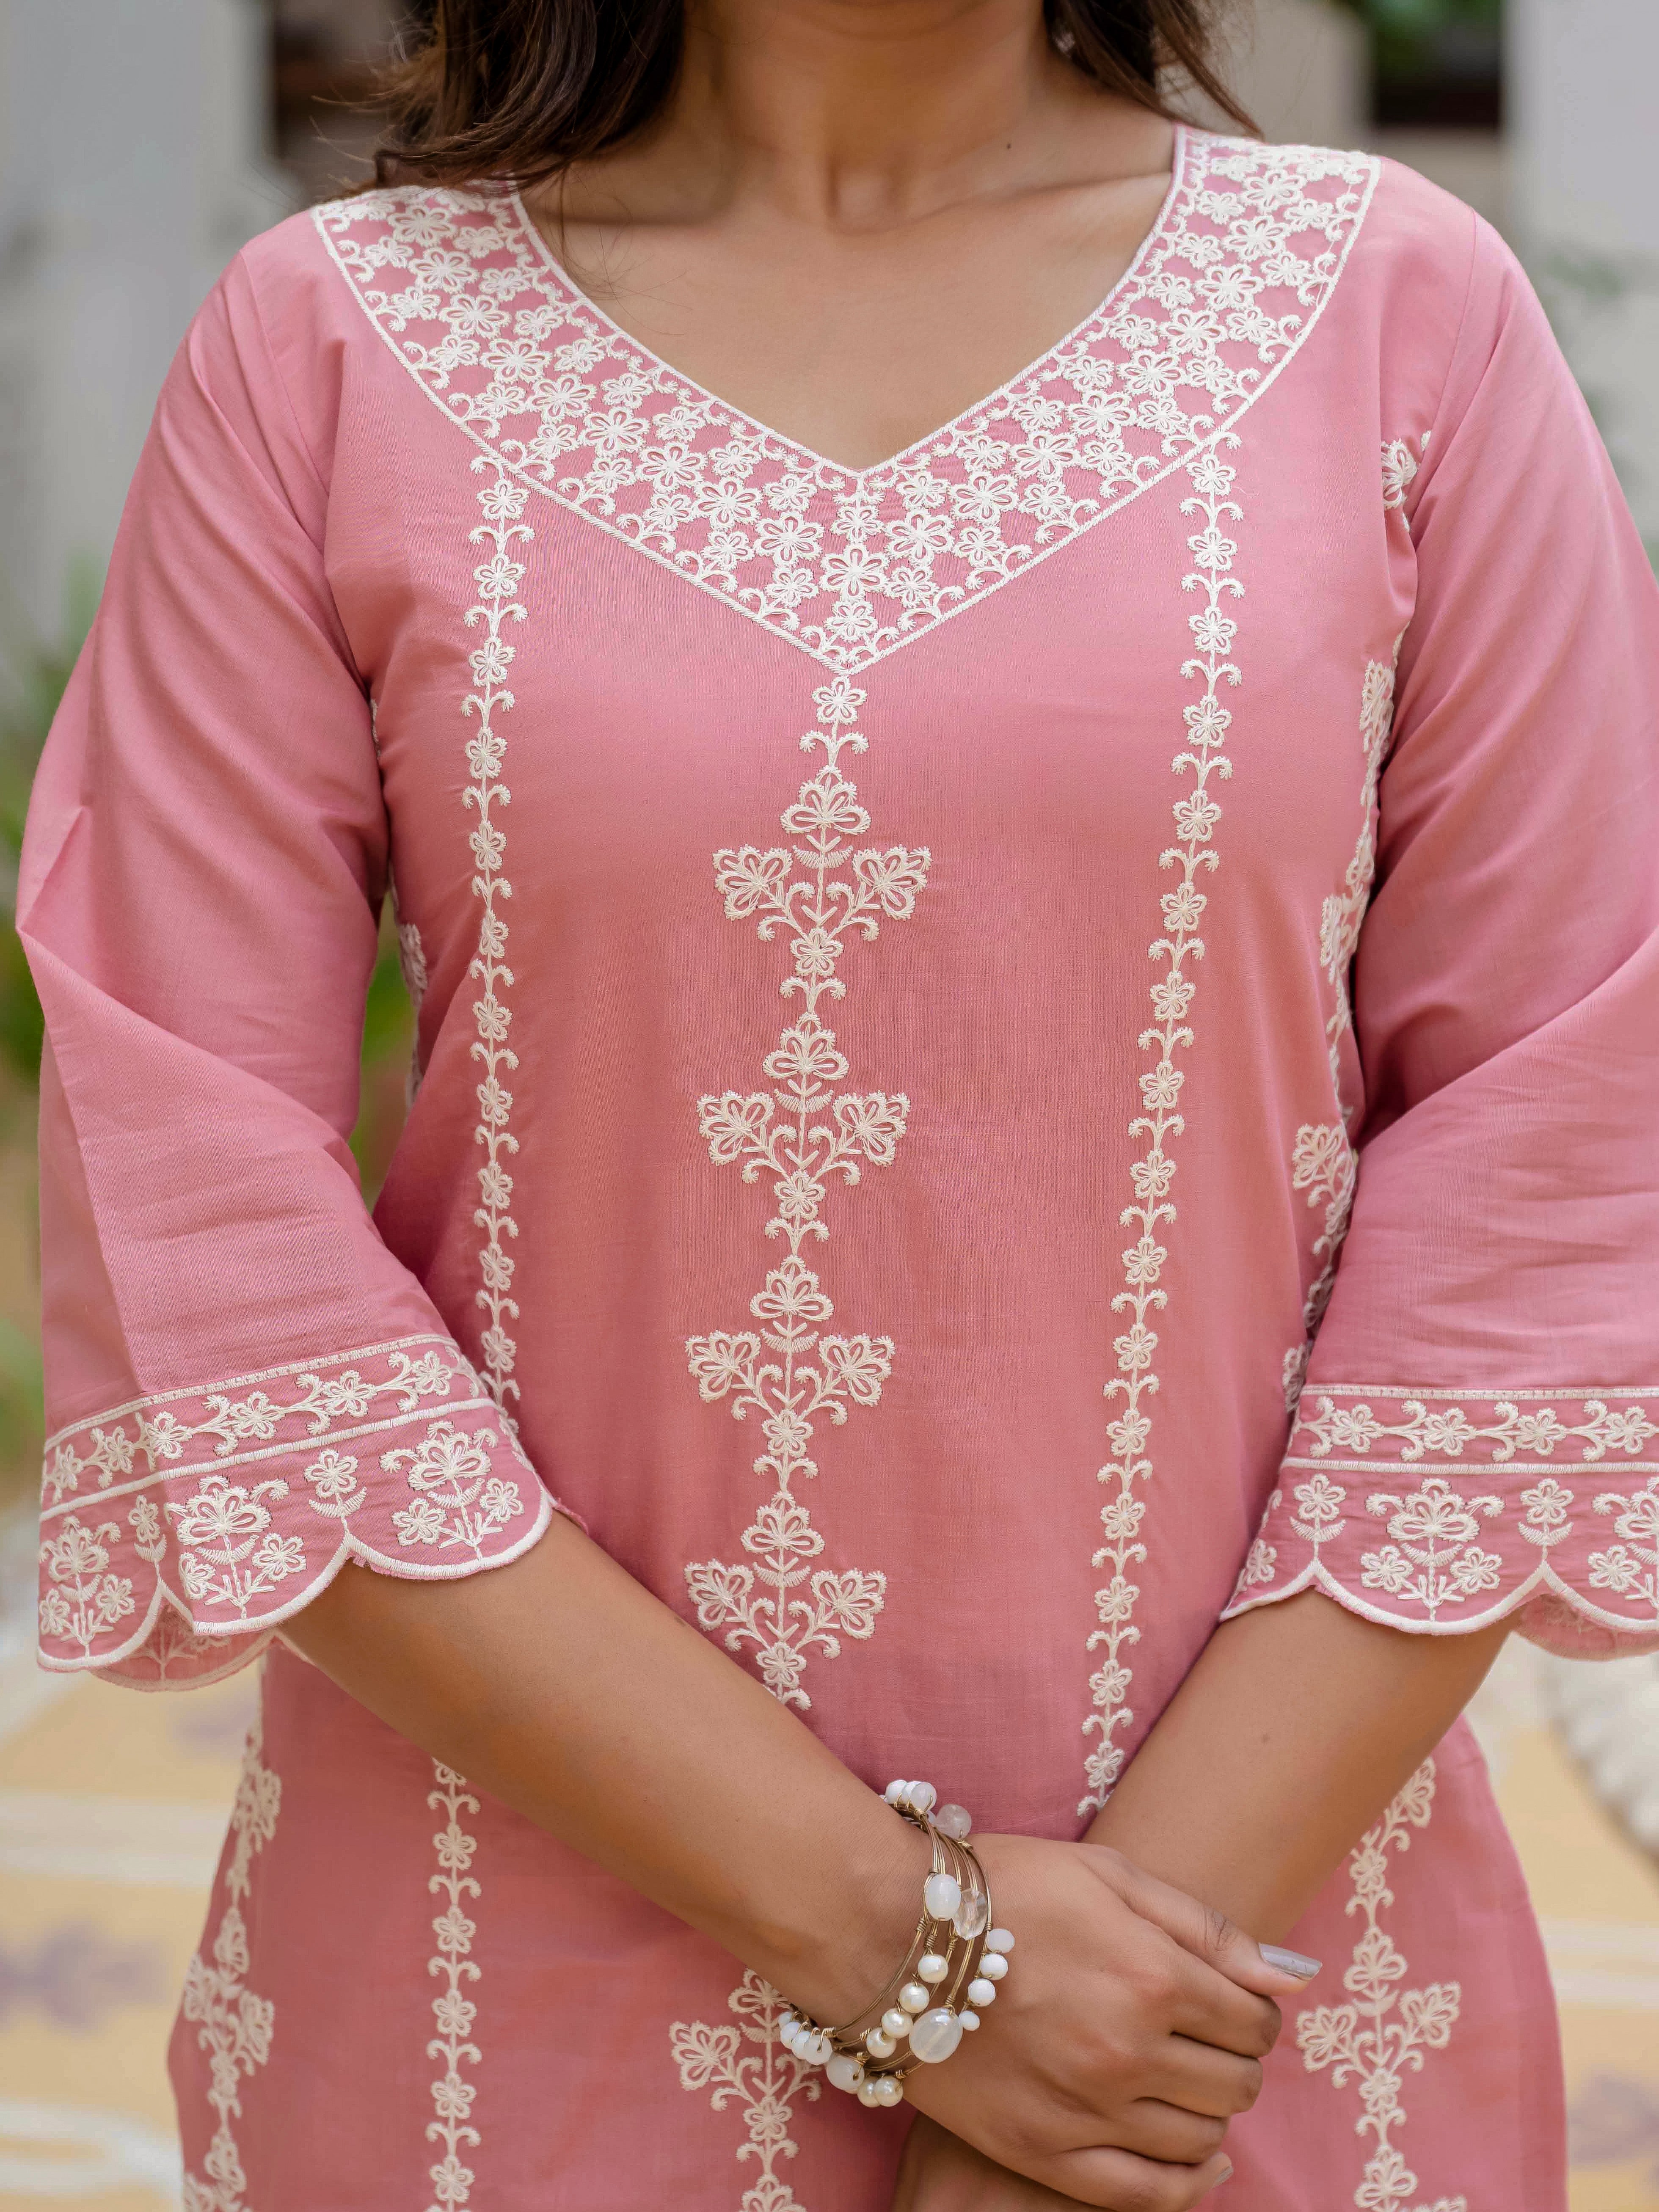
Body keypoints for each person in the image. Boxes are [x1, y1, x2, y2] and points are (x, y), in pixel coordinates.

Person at [25, 1, 1659, 2205]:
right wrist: (933, 1962)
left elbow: (1559, 1174)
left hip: (1231, 2009)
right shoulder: (333, 351)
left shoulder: (1402, 318)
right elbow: (197, 1219)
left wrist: (1095, 2054)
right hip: (500, 1997)